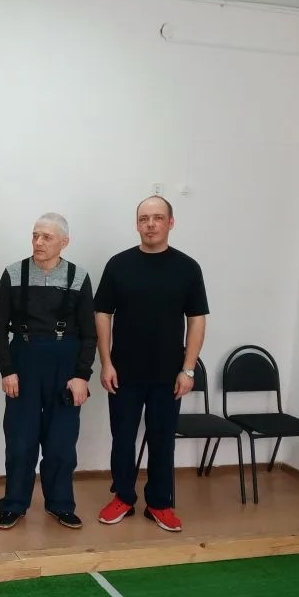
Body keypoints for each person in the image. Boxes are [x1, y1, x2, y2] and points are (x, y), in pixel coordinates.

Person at [93, 195, 208, 533]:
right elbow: (102, 313)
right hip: (123, 372)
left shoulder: (187, 268)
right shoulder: (119, 265)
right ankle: (123, 497)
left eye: (158, 218)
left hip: (168, 375)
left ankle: (159, 503)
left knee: (162, 440)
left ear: (170, 222)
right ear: (137, 224)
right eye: (144, 219)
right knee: (122, 438)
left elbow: (197, 320)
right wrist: (106, 362)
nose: (151, 224)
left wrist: (188, 369)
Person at [0, 213, 95, 530]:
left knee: (61, 442)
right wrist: (7, 369)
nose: (38, 242)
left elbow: (89, 333)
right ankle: (14, 504)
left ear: (64, 242)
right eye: (35, 235)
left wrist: (82, 376)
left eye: (47, 237)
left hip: (66, 365)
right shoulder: (13, 273)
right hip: (24, 362)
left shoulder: (78, 277)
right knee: (20, 440)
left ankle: (60, 504)